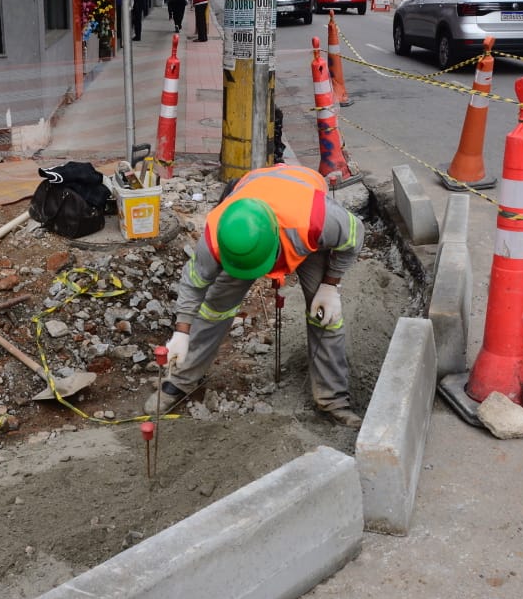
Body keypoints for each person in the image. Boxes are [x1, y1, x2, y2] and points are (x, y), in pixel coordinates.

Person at [146, 164, 366, 426]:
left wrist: (330, 286)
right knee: (214, 305)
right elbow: (193, 283)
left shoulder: (317, 219)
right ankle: (182, 379)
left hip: (301, 215)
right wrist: (182, 332)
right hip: (256, 193)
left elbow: (355, 235)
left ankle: (334, 399)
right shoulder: (218, 233)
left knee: (325, 314)